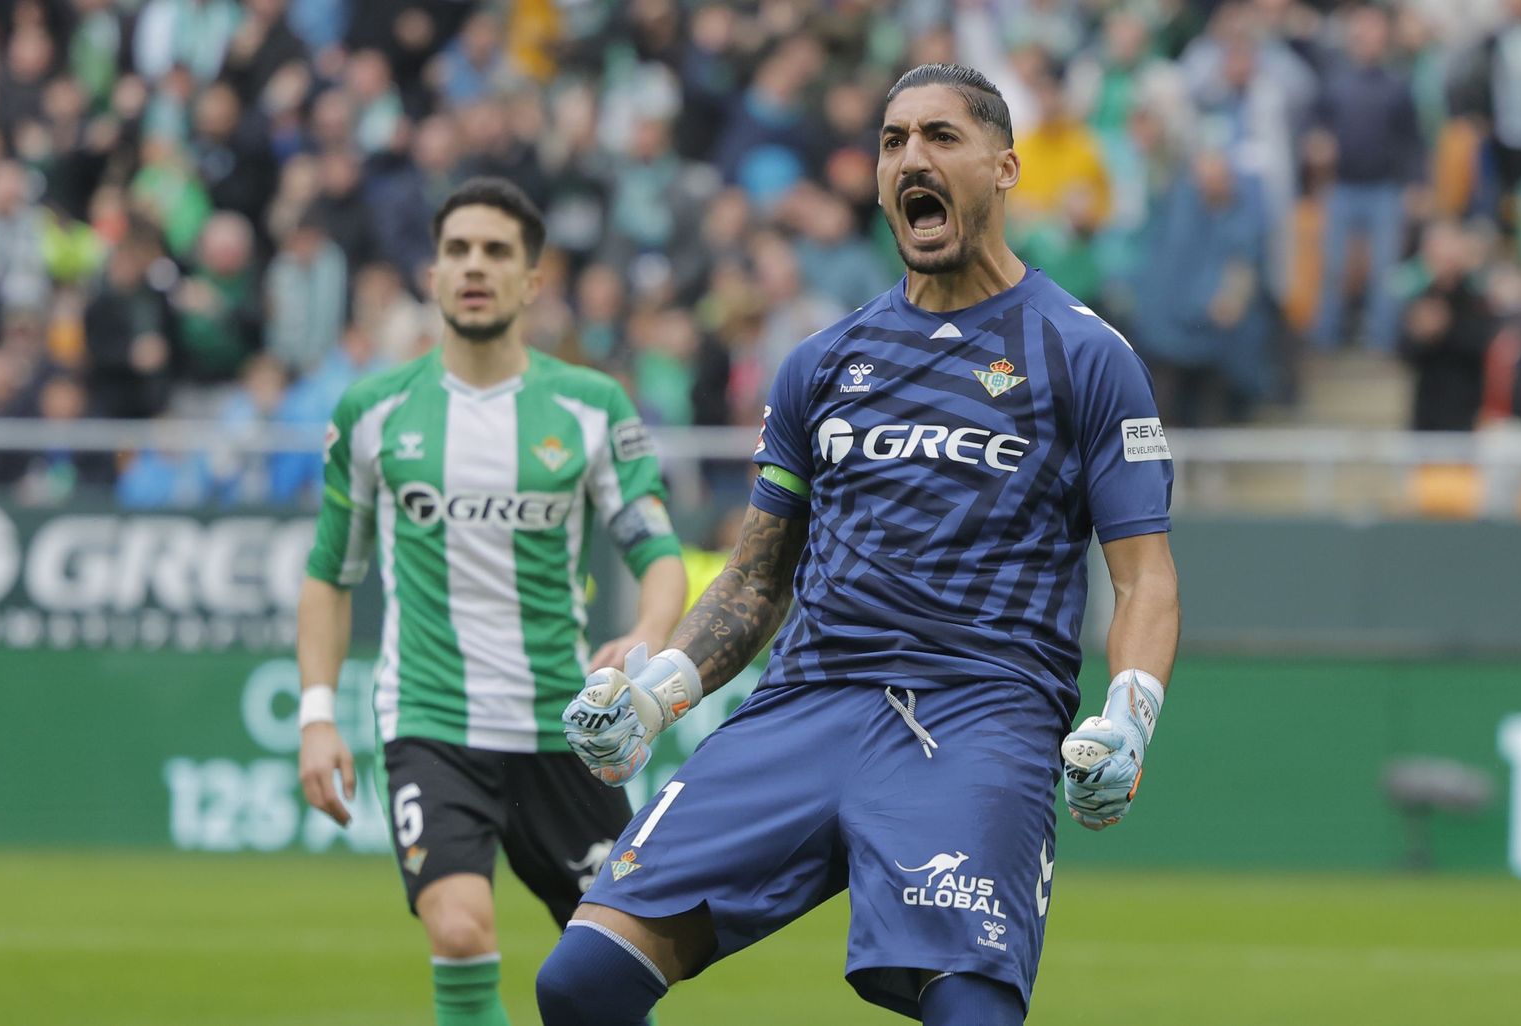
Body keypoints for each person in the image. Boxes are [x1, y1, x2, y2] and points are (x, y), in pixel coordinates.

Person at [538, 64, 1181, 1026]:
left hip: (976, 714)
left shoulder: (1085, 355)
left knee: (972, 1013)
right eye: (892, 142)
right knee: (580, 981)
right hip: (806, 704)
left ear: (1005, 168)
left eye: (939, 137)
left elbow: (1145, 581)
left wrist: (1130, 717)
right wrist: (656, 690)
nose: (911, 157)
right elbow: (758, 581)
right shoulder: (822, 363)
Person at [296, 177, 687, 1026]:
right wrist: (317, 714)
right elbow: (330, 572)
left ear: (532, 281)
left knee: (613, 966)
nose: (476, 266)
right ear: (432, 275)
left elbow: (658, 551)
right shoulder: (373, 412)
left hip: (566, 726)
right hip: (433, 720)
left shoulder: (591, 408)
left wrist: (649, 635)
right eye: (459, 250)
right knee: (461, 927)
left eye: (497, 251)